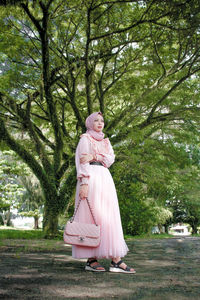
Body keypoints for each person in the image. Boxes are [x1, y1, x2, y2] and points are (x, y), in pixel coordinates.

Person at [72, 112, 136, 274]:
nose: (100, 123)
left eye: (102, 121)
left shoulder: (106, 141)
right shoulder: (85, 139)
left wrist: (95, 155)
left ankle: (116, 260)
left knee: (109, 217)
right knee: (91, 216)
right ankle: (91, 259)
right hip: (90, 179)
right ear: (89, 123)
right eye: (96, 120)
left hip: (105, 178)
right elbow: (82, 162)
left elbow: (110, 159)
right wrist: (84, 183)